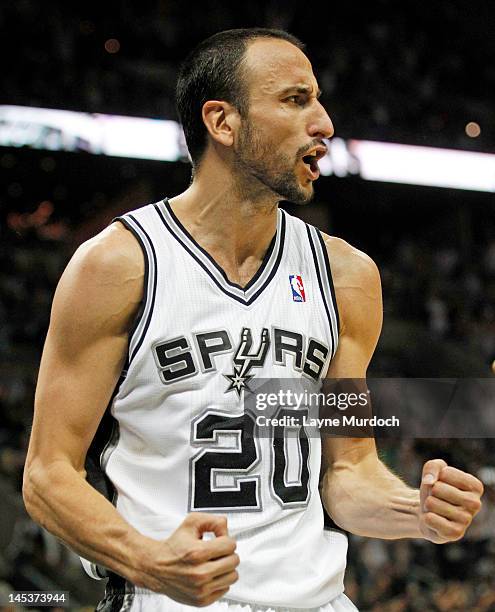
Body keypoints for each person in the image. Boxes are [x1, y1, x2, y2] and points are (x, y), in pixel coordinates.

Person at [23, 28, 484, 611]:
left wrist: (413, 511)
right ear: (223, 121)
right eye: (296, 100)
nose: (324, 123)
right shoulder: (119, 265)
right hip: (169, 600)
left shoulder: (347, 277)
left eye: (318, 100)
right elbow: (47, 475)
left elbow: (348, 470)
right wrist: (146, 558)